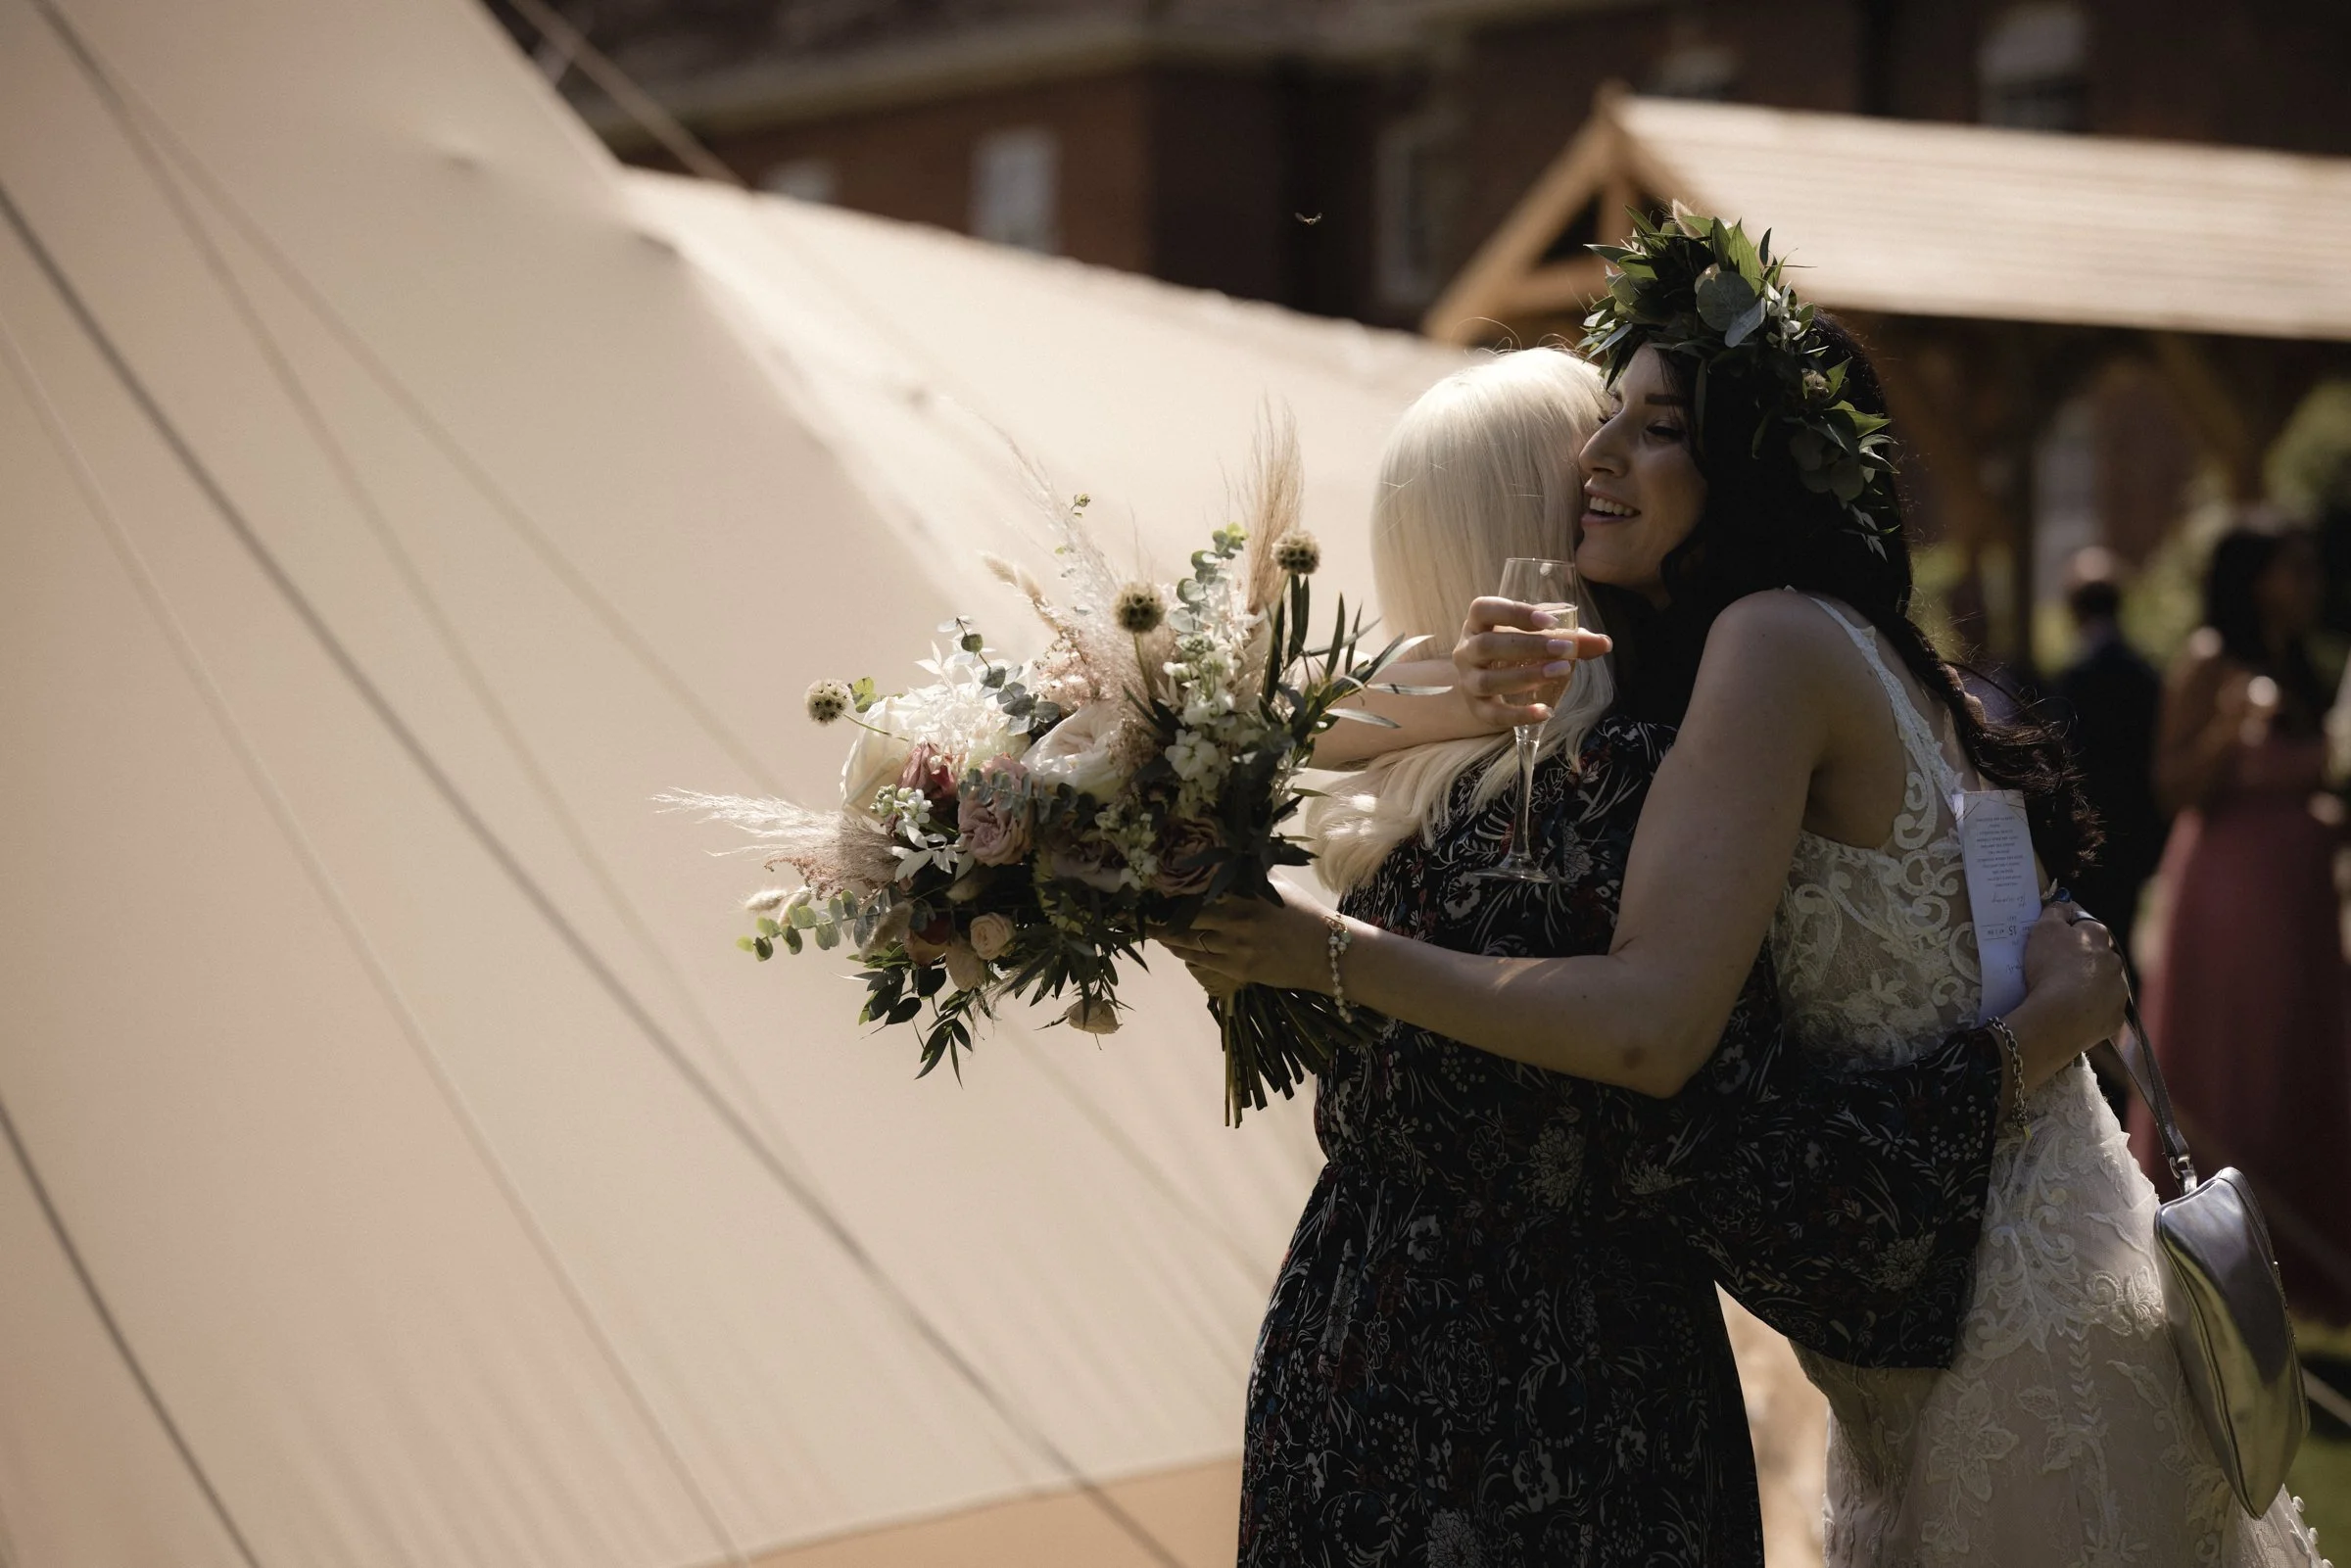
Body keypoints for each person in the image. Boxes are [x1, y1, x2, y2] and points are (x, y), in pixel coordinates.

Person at [1175, 216, 2323, 1564]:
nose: (1595, 463)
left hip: (1994, 1331)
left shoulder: (1768, 650)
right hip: (1972, 1314)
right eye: (1606, 423)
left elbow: (1655, 1029)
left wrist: (1320, 947)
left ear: (1751, 464)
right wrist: (1432, 690)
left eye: (1657, 428)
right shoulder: (1811, 653)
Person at [2136, 523, 2351, 1323]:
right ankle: (2220, 1253)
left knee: (2298, 1055)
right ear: (2257, 579)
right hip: (2232, 900)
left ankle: (2301, 1261)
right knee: (2238, 1062)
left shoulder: (2302, 668)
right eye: (2296, 568)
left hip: (2300, 902)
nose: (2312, 582)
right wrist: (2227, 726)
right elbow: (2170, 785)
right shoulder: (2208, 659)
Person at [2050, 547, 2168, 969]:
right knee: (2125, 934)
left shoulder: (2074, 676)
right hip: (2137, 830)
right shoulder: (2147, 673)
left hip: (2091, 833)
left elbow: (2065, 760)